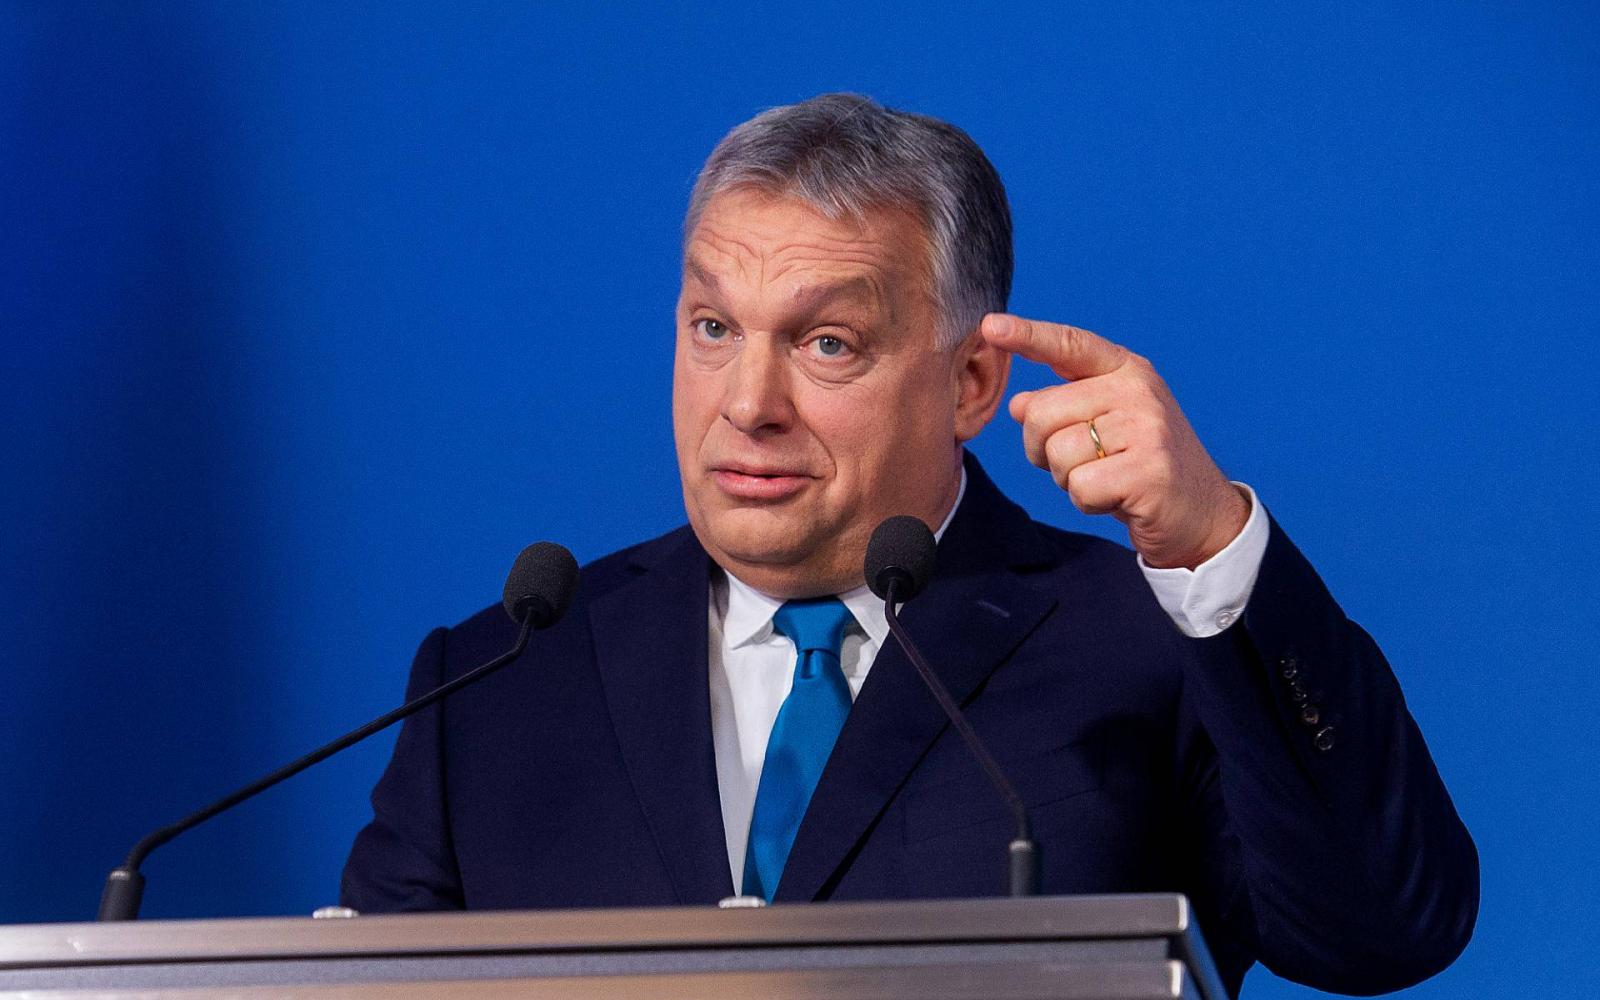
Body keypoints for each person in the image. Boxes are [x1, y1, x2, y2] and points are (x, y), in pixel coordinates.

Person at [342, 93, 1477, 996]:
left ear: (971, 382)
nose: (747, 403)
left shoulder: (1144, 642)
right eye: (713, 327)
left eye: (826, 343)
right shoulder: (496, 684)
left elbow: (1383, 929)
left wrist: (1211, 542)